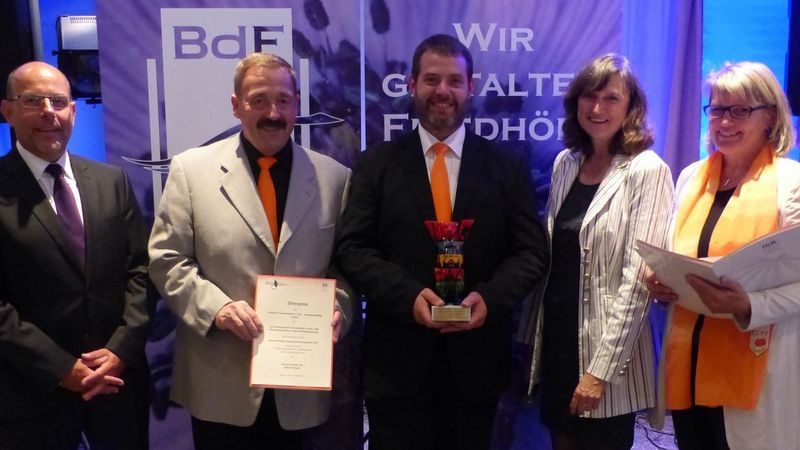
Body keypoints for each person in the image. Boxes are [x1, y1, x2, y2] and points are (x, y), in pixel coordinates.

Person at [335, 34, 548, 450]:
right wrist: (409, 296)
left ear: (471, 88)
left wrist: (489, 299)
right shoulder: (376, 164)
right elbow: (352, 249)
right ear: (412, 85)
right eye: (432, 79)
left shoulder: (506, 166)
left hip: (476, 367)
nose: (443, 91)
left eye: (454, 81)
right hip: (396, 367)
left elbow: (531, 252)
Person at [148, 53, 353, 450]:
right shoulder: (191, 171)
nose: (272, 113)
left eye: (283, 100)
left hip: (299, 386)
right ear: (236, 105)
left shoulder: (335, 178)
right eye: (259, 100)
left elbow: (346, 266)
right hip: (221, 382)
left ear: (296, 104)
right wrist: (217, 309)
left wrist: (338, 310)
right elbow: (166, 259)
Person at [646, 61, 800, 450]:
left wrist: (749, 305)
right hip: (689, 368)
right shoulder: (691, 178)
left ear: (770, 117)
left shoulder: (792, 183)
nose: (725, 121)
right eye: (717, 109)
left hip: (756, 369)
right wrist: (662, 282)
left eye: (740, 110)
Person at [0, 62, 152, 450]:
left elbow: (141, 269)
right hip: (31, 394)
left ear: (73, 111)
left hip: (117, 385)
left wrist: (121, 350)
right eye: (32, 101)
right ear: (8, 111)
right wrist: (61, 368)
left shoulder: (111, 181)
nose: (48, 111)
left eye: (58, 101)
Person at [526, 54, 674, 450]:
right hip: (558, 341)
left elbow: (638, 281)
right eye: (589, 96)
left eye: (611, 98)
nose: (597, 108)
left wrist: (600, 372)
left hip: (606, 354)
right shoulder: (566, 163)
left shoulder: (647, 170)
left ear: (631, 107)